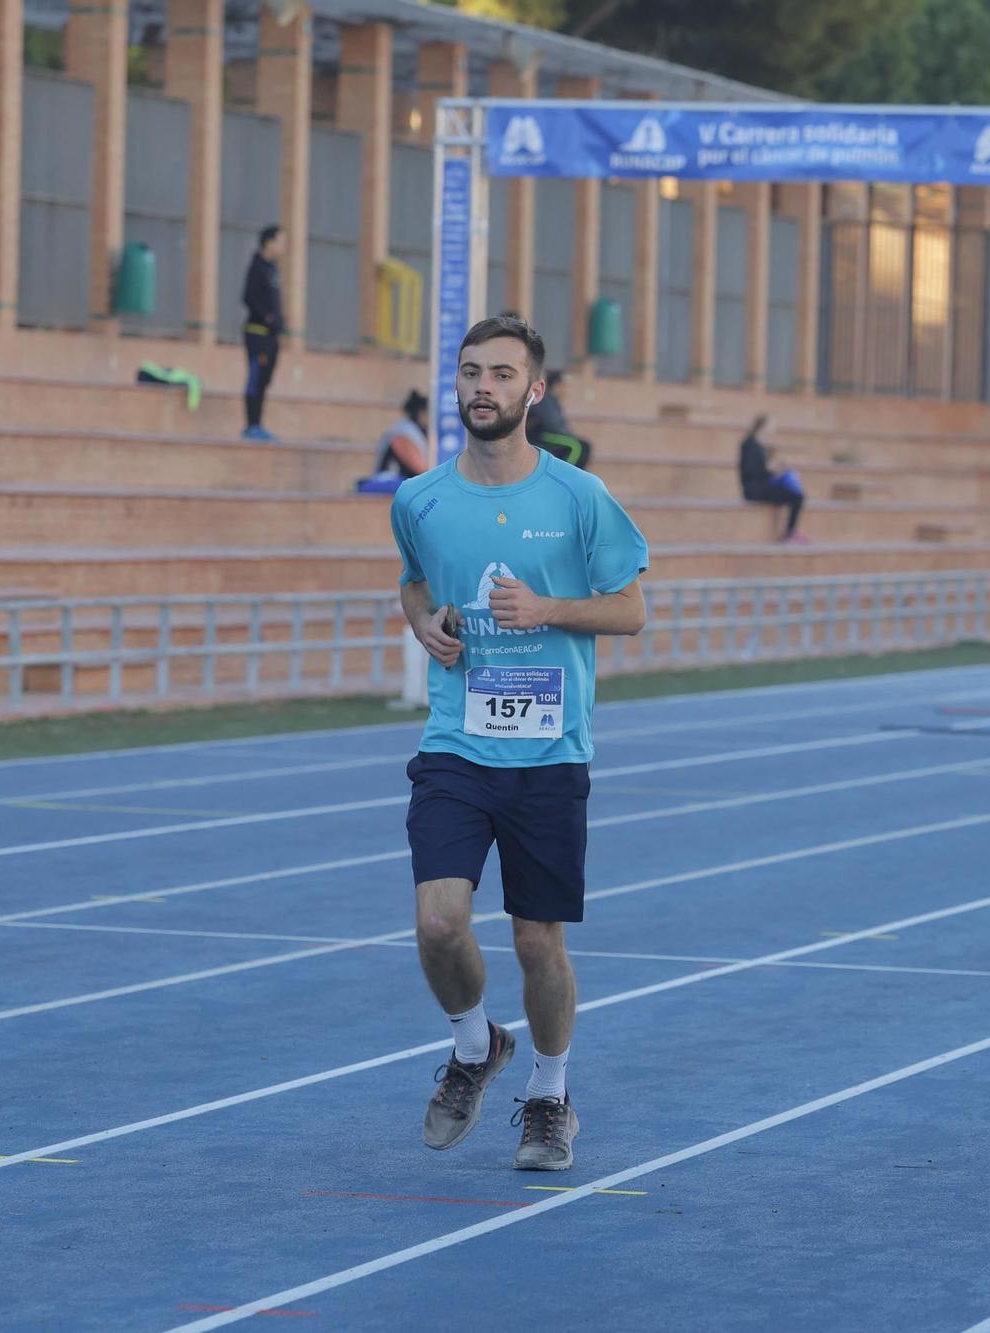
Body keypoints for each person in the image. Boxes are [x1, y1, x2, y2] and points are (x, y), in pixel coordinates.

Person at [389, 315, 649, 1171]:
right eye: (470, 372)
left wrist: (548, 610)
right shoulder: (419, 500)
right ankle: (474, 1046)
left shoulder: (579, 498)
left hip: (549, 753)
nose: (482, 388)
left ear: (533, 391)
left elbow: (631, 608)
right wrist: (427, 622)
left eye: (502, 374)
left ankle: (549, 1094)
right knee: (438, 921)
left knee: (538, 942)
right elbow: (416, 584)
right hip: (457, 745)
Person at [242, 225, 287, 441]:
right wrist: (267, 317)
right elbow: (248, 297)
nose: (283, 247)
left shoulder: (273, 269)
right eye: (280, 241)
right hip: (257, 333)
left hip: (271, 337)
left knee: (265, 380)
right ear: (268, 242)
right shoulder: (257, 267)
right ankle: (252, 425)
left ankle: (259, 424)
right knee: (256, 378)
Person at [738, 414, 806, 543]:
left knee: (796, 493)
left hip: (762, 486)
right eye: (771, 425)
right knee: (796, 496)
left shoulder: (760, 445)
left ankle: (790, 531)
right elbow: (750, 471)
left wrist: (775, 470)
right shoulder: (749, 444)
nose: (773, 429)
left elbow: (763, 471)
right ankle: (789, 532)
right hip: (754, 490)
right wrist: (770, 468)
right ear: (762, 426)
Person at [358, 391, 431, 492]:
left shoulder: (422, 432)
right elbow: (421, 469)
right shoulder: (403, 431)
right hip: (389, 481)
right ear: (421, 413)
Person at [525, 368, 592, 470]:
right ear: (556, 385)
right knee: (576, 446)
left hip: (555, 434)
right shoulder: (544, 399)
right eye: (563, 385)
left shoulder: (554, 401)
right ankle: (567, 474)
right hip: (544, 435)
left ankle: (579, 475)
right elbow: (550, 423)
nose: (566, 389)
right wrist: (566, 435)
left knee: (581, 445)